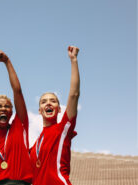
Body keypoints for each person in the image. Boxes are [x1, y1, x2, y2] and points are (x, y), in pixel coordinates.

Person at [30, 46, 80, 185]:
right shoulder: (35, 145)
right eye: (43, 101)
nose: (48, 103)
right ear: (40, 110)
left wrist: (74, 60)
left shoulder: (63, 129)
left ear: (58, 109)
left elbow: (74, 95)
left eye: (53, 101)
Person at [0, 51, 32, 185]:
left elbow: (17, 91)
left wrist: (7, 62)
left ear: (12, 112)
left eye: (7, 106)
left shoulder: (19, 126)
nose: (3, 109)